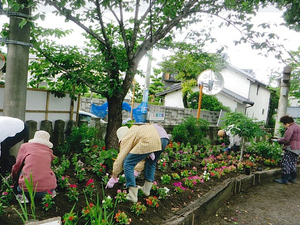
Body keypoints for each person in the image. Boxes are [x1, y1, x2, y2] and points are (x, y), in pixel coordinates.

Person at [106, 123, 169, 203]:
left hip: (151, 137)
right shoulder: (136, 131)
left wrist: (114, 176)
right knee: (151, 162)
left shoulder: (126, 137)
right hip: (163, 137)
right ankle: (146, 190)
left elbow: (121, 158)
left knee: (128, 163)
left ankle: (132, 196)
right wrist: (136, 170)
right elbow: (142, 157)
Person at [11, 130, 57, 202]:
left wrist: (14, 178)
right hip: (47, 191)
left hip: (27, 191)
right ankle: (49, 195)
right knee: (45, 169)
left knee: (23, 168)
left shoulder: (25, 147)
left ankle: (21, 194)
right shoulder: (49, 151)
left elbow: (17, 165)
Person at [273, 115, 300, 184]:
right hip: (297, 148)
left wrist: (278, 141)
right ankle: (292, 178)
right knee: (293, 163)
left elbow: (286, 139)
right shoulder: (298, 127)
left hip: (290, 148)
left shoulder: (291, 128)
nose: (284, 126)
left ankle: (284, 179)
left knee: (285, 162)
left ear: (287, 123)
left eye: (283, 124)